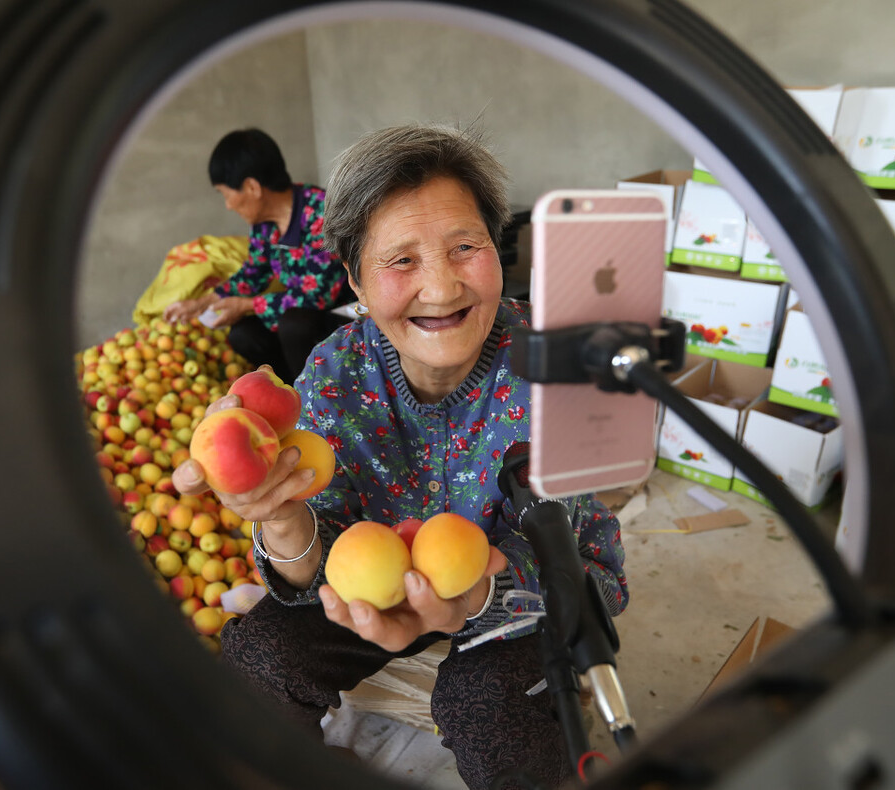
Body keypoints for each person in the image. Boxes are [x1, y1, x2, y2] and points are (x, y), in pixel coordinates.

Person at [172, 125, 628, 789]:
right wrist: (283, 521)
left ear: (498, 253)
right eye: (402, 261)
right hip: (373, 582)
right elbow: (316, 564)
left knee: (487, 707)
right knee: (258, 655)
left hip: (514, 595)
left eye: (464, 247)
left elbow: (585, 565)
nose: (441, 289)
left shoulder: (554, 365)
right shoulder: (334, 374)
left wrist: (481, 597)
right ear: (355, 280)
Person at [163, 128, 349, 383]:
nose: (228, 205)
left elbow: (318, 296)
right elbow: (253, 274)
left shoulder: (320, 213)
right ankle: (285, 386)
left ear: (252, 187)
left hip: (340, 314)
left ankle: (312, 400)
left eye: (226, 195)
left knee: (294, 324)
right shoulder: (264, 224)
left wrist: (247, 305)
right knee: (243, 332)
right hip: (297, 318)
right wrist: (202, 303)